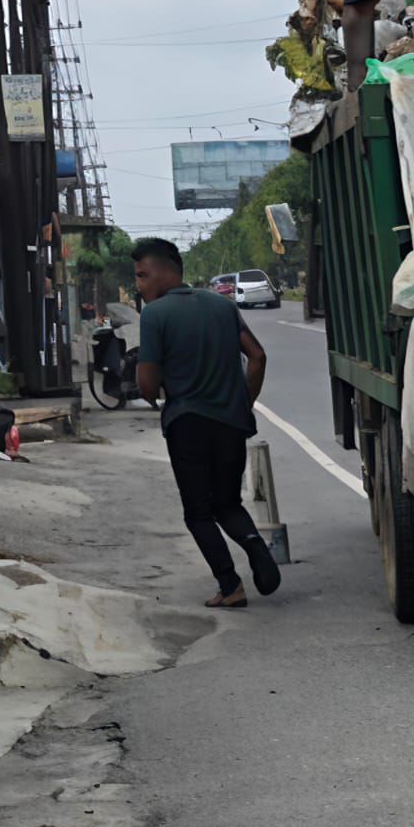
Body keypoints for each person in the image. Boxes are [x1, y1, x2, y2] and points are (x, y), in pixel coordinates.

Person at [132, 238, 281, 608]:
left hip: (188, 426)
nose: (139, 285)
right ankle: (257, 549)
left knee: (198, 512)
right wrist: (242, 403)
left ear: (166, 272)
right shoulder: (223, 305)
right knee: (228, 503)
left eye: (142, 275)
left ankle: (230, 586)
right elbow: (258, 357)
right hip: (231, 423)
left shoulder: (154, 315)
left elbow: (148, 386)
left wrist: (152, 384)